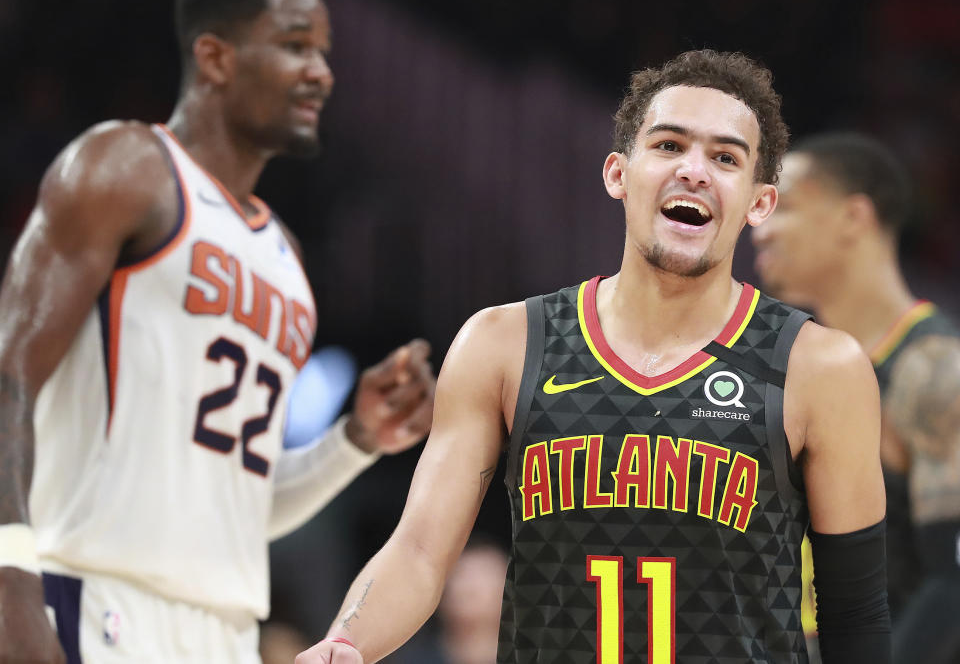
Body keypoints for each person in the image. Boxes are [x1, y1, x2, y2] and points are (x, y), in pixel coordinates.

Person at [297, 50, 891, 664]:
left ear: (759, 202)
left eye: (725, 157)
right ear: (617, 174)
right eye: (668, 145)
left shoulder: (818, 367)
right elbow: (420, 550)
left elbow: (855, 611)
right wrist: (345, 643)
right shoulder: (505, 342)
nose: (694, 171)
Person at [0, 0, 435, 663]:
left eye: (324, 52)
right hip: (96, 600)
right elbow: (8, 372)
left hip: (225, 631)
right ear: (216, 57)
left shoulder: (287, 259)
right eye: (296, 46)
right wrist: (10, 573)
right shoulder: (125, 166)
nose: (322, 72)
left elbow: (237, 506)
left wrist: (353, 440)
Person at [752, 131, 960, 663]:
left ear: (854, 217)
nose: (760, 230)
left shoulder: (933, 370)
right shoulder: (799, 370)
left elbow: (952, 581)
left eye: (785, 206)